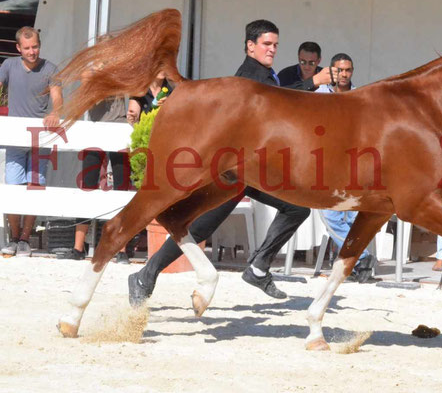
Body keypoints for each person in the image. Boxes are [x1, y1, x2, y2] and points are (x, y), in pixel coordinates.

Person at [128, 20, 338, 305]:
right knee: (200, 227)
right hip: (232, 171)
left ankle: (258, 266)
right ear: (250, 46)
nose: (272, 49)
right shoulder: (249, 77)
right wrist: (313, 83)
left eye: (275, 44)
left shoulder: (265, 74)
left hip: (251, 171)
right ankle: (145, 275)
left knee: (297, 207)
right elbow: (283, 102)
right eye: (266, 44)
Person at [62, 34, 136, 262]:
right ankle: (78, 247)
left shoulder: (123, 69)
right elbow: (90, 96)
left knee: (122, 186)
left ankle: (121, 248)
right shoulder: (90, 72)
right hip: (96, 130)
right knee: (88, 184)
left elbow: (135, 88)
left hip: (118, 129)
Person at [0, 27, 62, 257]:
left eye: (34, 46)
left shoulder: (50, 68)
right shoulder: (9, 66)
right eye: (26, 48)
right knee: (14, 187)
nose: (31, 51)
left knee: (35, 185)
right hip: (15, 136)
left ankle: (26, 238)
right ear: (18, 48)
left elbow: (58, 98)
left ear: (39, 45)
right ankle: (14, 237)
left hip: (40, 136)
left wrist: (55, 112)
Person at [314, 53, 375, 282]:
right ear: (331, 70)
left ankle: (357, 263)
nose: (343, 74)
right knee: (330, 213)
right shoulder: (319, 94)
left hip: (353, 162)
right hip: (326, 161)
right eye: (339, 70)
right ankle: (361, 258)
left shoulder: (360, 96)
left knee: (350, 217)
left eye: (347, 70)